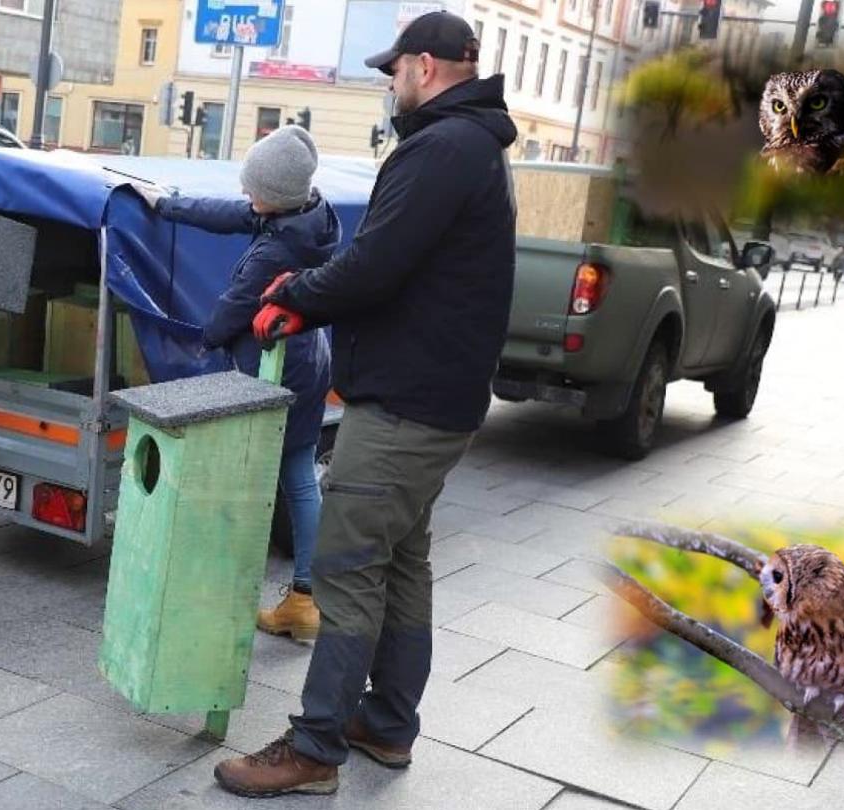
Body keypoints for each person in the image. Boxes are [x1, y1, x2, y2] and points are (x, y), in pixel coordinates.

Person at [211, 11, 517, 798]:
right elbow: (388, 250)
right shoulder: (469, 145)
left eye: (392, 72)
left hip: (407, 402)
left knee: (346, 567)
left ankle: (313, 750)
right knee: (402, 562)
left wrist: (295, 303)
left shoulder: (444, 146)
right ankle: (385, 726)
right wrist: (309, 290)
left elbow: (377, 262)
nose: (388, 84)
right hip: (438, 393)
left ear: (423, 66)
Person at [134, 124, 335, 641]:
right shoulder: (306, 213)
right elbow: (231, 213)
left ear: (275, 195)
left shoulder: (277, 249)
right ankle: (306, 599)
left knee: (249, 480)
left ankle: (223, 594)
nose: (246, 193)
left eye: (253, 186)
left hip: (273, 371)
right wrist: (167, 205)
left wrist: (188, 339)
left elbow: (229, 316)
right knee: (299, 472)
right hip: (309, 358)